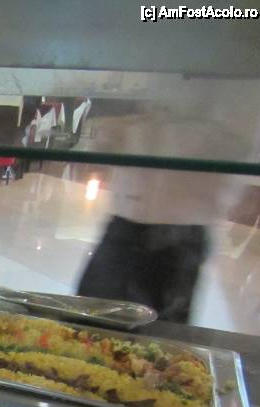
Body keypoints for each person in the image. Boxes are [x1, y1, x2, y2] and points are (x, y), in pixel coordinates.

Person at [76, 106, 246, 324]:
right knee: (87, 320)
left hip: (181, 227)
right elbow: (106, 139)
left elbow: (236, 142)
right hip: (129, 220)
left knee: (155, 331)